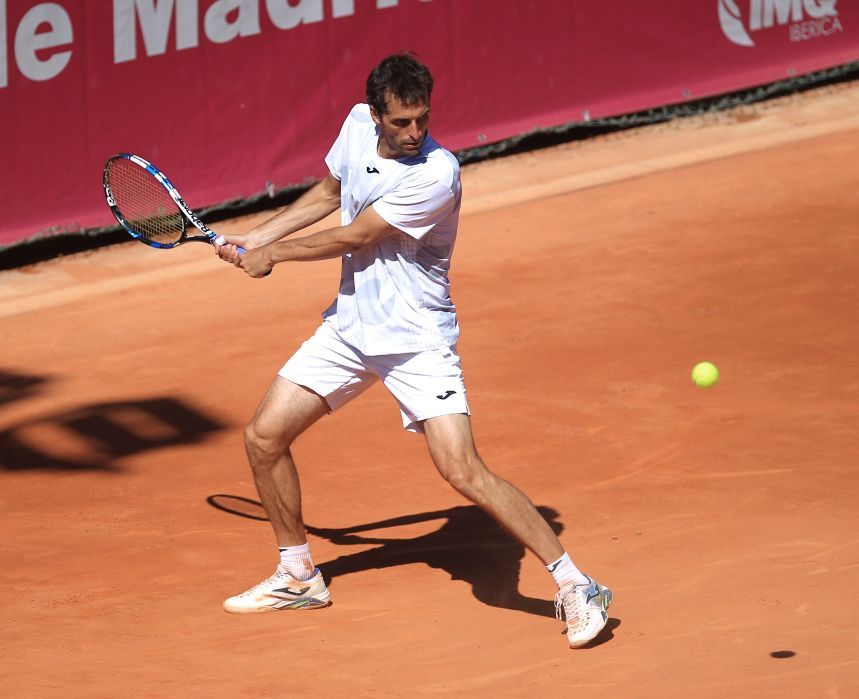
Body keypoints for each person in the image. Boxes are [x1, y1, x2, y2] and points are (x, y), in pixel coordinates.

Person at [214, 53, 612, 649]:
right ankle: (299, 574)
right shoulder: (354, 126)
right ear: (375, 114)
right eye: (401, 122)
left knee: (461, 469)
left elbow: (356, 234)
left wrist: (277, 256)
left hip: (416, 340)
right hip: (350, 330)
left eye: (422, 118)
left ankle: (578, 584)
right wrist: (259, 237)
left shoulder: (436, 173)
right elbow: (330, 193)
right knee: (263, 438)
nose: (415, 132)